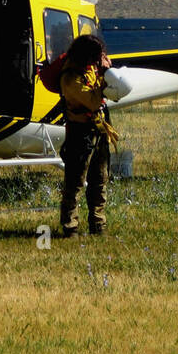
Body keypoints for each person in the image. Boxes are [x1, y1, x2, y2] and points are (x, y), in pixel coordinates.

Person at [58, 34, 118, 237]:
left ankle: (98, 224)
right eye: (95, 58)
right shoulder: (71, 77)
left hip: (98, 130)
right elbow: (93, 102)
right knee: (75, 181)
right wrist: (105, 74)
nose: (96, 63)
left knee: (100, 179)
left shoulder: (90, 69)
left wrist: (106, 74)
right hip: (80, 134)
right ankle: (70, 226)